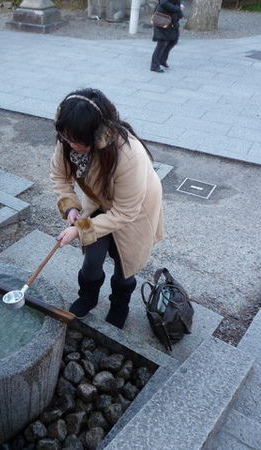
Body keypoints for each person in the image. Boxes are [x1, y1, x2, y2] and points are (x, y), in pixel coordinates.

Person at [51, 88, 164, 329]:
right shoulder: (69, 139)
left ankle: (119, 305)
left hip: (136, 210)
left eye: (78, 141)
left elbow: (125, 212)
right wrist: (71, 208)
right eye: (67, 138)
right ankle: (87, 298)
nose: (72, 146)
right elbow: (59, 176)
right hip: (100, 203)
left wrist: (78, 230)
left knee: (125, 267)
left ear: (99, 135)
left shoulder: (129, 155)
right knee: (92, 261)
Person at [150, 0, 184, 72]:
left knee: (173, 40)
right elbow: (163, 2)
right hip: (163, 18)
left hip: (171, 18)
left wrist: (180, 11)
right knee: (162, 42)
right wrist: (178, 8)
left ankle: (162, 59)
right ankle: (154, 65)